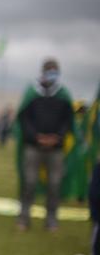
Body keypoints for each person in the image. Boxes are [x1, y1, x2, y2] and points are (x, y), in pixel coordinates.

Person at [15, 58, 73, 231]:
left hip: (56, 148)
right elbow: (24, 118)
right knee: (29, 182)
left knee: (54, 184)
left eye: (55, 71)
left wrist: (57, 137)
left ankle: (51, 219)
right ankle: (24, 218)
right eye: (49, 71)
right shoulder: (32, 92)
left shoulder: (63, 94)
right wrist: (36, 137)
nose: (52, 75)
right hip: (33, 146)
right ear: (43, 72)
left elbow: (68, 120)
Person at [61, 101, 90, 203]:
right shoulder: (75, 121)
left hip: (79, 150)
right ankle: (69, 193)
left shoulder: (81, 121)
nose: (82, 112)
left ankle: (79, 195)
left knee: (79, 173)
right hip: (73, 150)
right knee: (70, 172)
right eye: (80, 110)